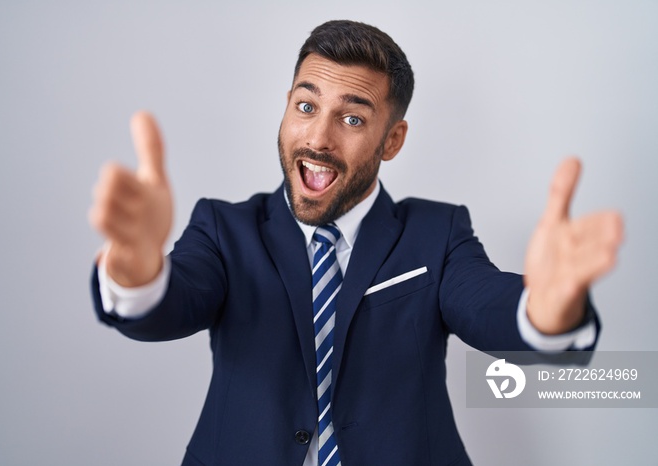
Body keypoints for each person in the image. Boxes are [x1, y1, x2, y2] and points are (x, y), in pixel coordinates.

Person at [89, 20, 622, 466]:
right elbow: (170, 304)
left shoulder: (437, 234)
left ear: (392, 140)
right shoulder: (224, 229)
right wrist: (135, 266)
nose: (318, 138)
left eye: (351, 118)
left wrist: (547, 309)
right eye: (305, 106)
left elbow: (488, 304)